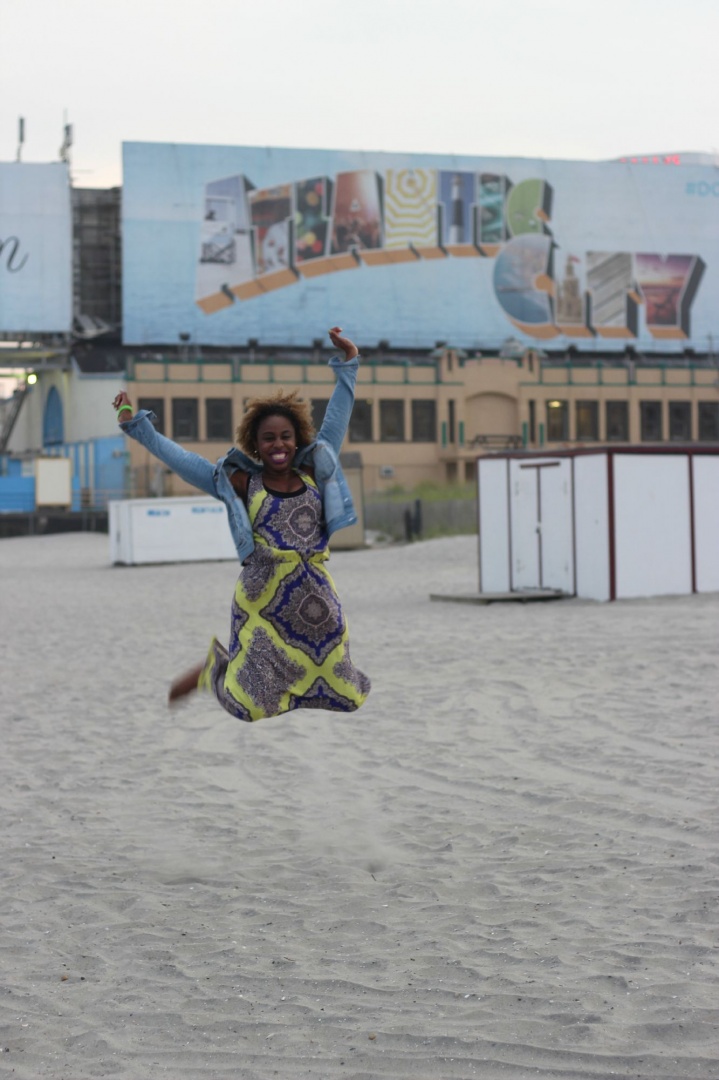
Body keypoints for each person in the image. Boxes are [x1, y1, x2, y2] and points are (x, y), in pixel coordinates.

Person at [112, 328, 370, 722]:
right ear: (255, 442)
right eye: (268, 438)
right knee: (252, 707)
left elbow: (337, 416)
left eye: (285, 436)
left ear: (297, 436)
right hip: (262, 596)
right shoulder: (240, 483)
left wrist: (348, 364)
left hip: (316, 592)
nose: (278, 444)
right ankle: (213, 671)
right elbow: (185, 461)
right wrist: (137, 427)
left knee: (348, 695)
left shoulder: (316, 467)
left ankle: (244, 673)